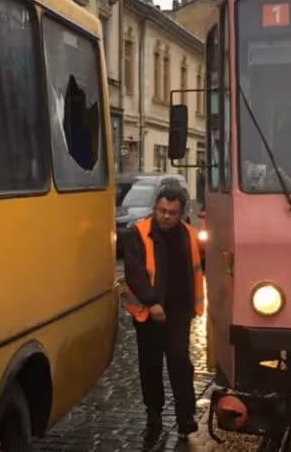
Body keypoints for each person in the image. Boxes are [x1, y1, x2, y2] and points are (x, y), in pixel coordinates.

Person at [123, 183, 204, 444]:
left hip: (179, 313)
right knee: (151, 368)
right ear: (156, 208)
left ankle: (186, 417)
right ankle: (154, 420)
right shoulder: (139, 232)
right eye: (162, 211)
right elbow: (134, 271)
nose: (166, 216)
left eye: (172, 212)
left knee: (180, 364)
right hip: (148, 316)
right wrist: (152, 302)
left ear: (181, 213)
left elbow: (197, 267)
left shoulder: (188, 233)